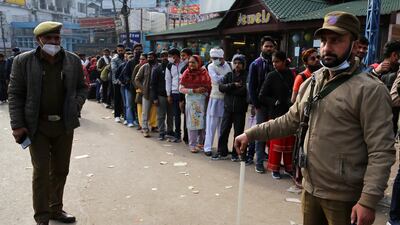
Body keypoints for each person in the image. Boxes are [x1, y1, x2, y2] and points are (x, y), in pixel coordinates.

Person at [234, 11, 395, 225]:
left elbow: (381, 150)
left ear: (355, 45)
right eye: (324, 41)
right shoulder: (313, 81)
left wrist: (367, 201)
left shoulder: (370, 90)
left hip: (344, 198)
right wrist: (250, 133)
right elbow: (290, 120)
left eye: (336, 40)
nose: (327, 47)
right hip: (310, 189)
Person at [8, 21, 88, 225]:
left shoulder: (72, 60)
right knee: (42, 171)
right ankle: (42, 217)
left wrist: (75, 104)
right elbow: (15, 94)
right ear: (39, 40)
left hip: (64, 125)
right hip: (37, 126)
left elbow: (82, 87)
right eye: (49, 38)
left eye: (57, 38)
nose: (53, 42)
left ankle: (55, 209)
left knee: (61, 169)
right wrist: (17, 125)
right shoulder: (22, 61)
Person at [259, 51, 295, 179]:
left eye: (277, 61)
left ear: (284, 61)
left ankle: (288, 168)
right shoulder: (271, 76)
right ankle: (275, 168)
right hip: (275, 113)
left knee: (289, 142)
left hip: (289, 112)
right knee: (276, 142)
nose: (275, 64)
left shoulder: (291, 74)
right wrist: (274, 102)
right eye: (273, 62)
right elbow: (262, 95)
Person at [247, 36, 276, 173]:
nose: (269, 49)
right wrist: (255, 104)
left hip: (275, 105)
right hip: (261, 105)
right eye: (267, 46)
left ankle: (272, 162)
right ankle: (259, 162)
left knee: (274, 132)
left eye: (271, 46)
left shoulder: (277, 62)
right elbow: (251, 86)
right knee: (260, 132)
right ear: (261, 47)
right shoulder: (255, 64)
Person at [214, 54, 248, 161]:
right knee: (224, 131)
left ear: (243, 65)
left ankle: (236, 153)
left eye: (239, 63)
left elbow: (244, 91)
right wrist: (233, 85)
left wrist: (230, 90)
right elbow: (221, 87)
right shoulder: (228, 75)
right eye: (235, 63)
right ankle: (221, 152)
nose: (237, 65)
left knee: (238, 133)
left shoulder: (247, 76)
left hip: (240, 109)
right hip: (228, 109)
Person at [179, 55, 211, 153]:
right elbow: (181, 89)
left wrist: (205, 90)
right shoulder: (186, 73)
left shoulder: (204, 73)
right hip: (191, 102)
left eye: (194, 62)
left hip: (203, 101)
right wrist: (194, 90)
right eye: (190, 62)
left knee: (203, 123)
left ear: (199, 63)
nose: (191, 64)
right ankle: (192, 144)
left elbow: (209, 86)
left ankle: (200, 143)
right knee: (192, 123)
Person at [205, 48, 231, 157]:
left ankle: (222, 148)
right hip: (215, 98)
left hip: (226, 98)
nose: (213, 60)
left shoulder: (229, 65)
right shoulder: (211, 66)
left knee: (223, 126)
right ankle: (207, 147)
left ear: (222, 58)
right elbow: (215, 80)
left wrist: (224, 80)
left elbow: (230, 78)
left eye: (215, 58)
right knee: (211, 125)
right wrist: (226, 79)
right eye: (212, 58)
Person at [371, 40, 400, 134]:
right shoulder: (374, 68)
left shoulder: (397, 71)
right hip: (375, 122)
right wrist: (375, 72)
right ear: (395, 55)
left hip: (391, 124)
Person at [135, 51, 159, 137]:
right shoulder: (144, 67)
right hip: (146, 94)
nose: (149, 59)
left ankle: (156, 127)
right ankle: (145, 129)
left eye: (151, 57)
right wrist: (143, 89)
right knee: (145, 112)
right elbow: (136, 79)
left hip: (157, 94)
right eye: (148, 57)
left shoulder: (158, 67)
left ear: (155, 58)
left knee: (156, 112)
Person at [165, 48, 187, 142]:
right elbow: (168, 80)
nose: (169, 58)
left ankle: (187, 137)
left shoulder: (185, 64)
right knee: (176, 115)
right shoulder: (169, 66)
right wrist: (168, 94)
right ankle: (178, 135)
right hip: (174, 93)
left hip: (185, 92)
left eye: (171, 56)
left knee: (186, 115)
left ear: (176, 56)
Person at [151, 50, 173, 140]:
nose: (165, 58)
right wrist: (155, 98)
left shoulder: (173, 68)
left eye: (167, 56)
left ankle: (170, 131)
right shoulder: (157, 69)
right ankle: (161, 132)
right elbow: (153, 85)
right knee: (161, 115)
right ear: (160, 57)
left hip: (171, 96)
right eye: (163, 56)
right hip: (161, 96)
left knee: (171, 115)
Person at [132, 53, 148, 130]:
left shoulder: (149, 67)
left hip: (148, 91)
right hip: (139, 90)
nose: (141, 61)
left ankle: (152, 125)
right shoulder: (137, 67)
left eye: (143, 59)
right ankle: (141, 124)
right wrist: (138, 89)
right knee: (140, 108)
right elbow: (134, 79)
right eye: (140, 59)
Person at [111, 44, 126, 123]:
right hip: (116, 81)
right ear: (117, 51)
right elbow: (114, 69)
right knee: (117, 98)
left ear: (124, 50)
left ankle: (124, 115)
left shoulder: (127, 57)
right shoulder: (114, 59)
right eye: (119, 50)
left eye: (121, 50)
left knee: (125, 100)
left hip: (125, 82)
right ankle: (117, 115)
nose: (120, 52)